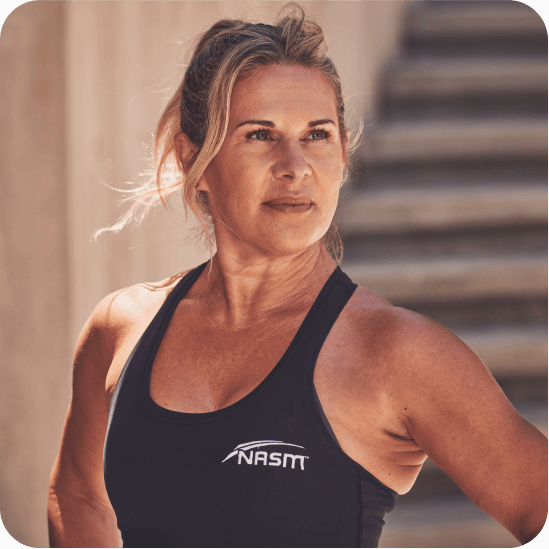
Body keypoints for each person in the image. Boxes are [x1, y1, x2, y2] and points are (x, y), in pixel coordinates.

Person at [47, 2, 547, 547]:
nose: (295, 164)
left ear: (343, 157)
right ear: (195, 160)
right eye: (260, 135)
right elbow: (77, 496)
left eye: (317, 134)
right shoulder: (121, 327)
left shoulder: (395, 352)